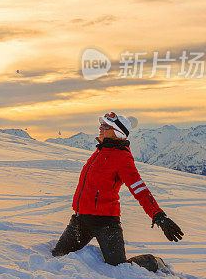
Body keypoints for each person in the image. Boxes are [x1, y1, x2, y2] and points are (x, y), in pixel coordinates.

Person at [51, 112, 183, 270]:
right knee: (58, 255)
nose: (101, 128)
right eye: (101, 124)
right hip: (81, 220)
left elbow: (139, 188)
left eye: (106, 126)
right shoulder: (100, 151)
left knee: (119, 267)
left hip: (105, 222)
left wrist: (158, 215)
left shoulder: (122, 158)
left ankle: (153, 262)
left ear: (117, 132)